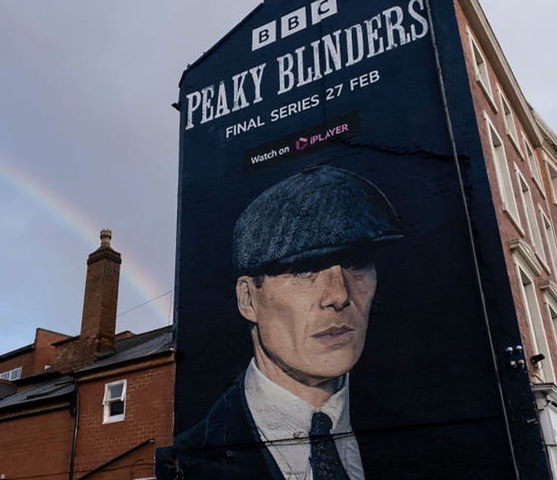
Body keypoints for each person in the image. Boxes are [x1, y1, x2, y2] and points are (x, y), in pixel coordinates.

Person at [157, 165, 405, 479]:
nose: (340, 295)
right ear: (248, 299)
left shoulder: (427, 440)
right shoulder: (188, 461)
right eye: (304, 270)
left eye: (356, 264)